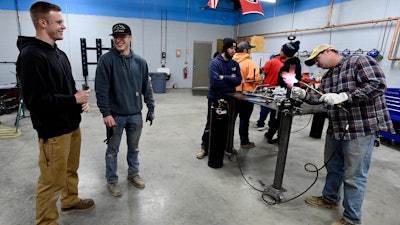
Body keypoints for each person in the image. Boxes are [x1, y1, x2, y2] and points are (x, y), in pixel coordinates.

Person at [292, 44, 394, 225]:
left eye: (317, 59)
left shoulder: (359, 61)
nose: (316, 64)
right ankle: (330, 199)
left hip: (359, 130)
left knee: (354, 176)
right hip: (336, 128)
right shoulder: (329, 75)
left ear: (328, 51)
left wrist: (346, 96)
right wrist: (304, 95)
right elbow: (320, 97)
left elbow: (377, 85)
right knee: (333, 167)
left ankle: (351, 219)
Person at [16, 1, 94, 224]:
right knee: (51, 182)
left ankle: (70, 201)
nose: (63, 26)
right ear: (42, 23)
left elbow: (68, 89)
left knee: (71, 170)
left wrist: (79, 103)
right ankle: (47, 221)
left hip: (71, 126)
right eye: (58, 22)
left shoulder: (58, 53)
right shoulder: (31, 56)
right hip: (53, 132)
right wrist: (73, 99)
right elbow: (35, 101)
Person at [95, 23, 155, 197]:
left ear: (130, 38)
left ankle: (133, 174)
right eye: (116, 37)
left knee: (134, 148)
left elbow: (147, 88)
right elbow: (101, 90)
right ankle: (112, 181)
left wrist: (151, 108)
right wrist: (106, 113)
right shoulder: (106, 60)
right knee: (112, 151)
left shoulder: (140, 62)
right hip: (115, 117)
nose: (119, 40)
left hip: (135, 115)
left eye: (123, 36)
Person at [196, 38, 242, 159]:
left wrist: (224, 77)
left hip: (230, 99)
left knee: (227, 124)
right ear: (225, 48)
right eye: (231, 48)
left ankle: (225, 147)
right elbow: (215, 82)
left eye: (235, 49)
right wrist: (230, 80)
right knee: (211, 123)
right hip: (216, 98)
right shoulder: (215, 63)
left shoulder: (235, 64)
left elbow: (238, 80)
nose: (233, 51)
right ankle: (204, 147)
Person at [265, 40, 301, 144]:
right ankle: (272, 134)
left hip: (286, 96)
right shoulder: (294, 64)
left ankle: (279, 137)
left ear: (286, 52)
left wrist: (281, 93)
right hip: (287, 94)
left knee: (280, 117)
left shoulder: (290, 65)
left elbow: (289, 83)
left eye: (281, 50)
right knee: (279, 117)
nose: (280, 51)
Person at [233, 41, 262, 149]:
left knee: (231, 121)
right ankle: (244, 142)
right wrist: (259, 77)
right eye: (249, 49)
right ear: (245, 50)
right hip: (246, 95)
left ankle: (228, 145)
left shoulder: (231, 61)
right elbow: (252, 78)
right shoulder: (249, 63)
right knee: (244, 119)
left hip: (232, 95)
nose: (250, 51)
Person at [253, 53, 285, 131]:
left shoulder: (271, 61)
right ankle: (271, 125)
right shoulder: (283, 64)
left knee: (264, 106)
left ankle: (260, 124)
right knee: (274, 108)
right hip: (278, 90)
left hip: (268, 88)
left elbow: (263, 71)